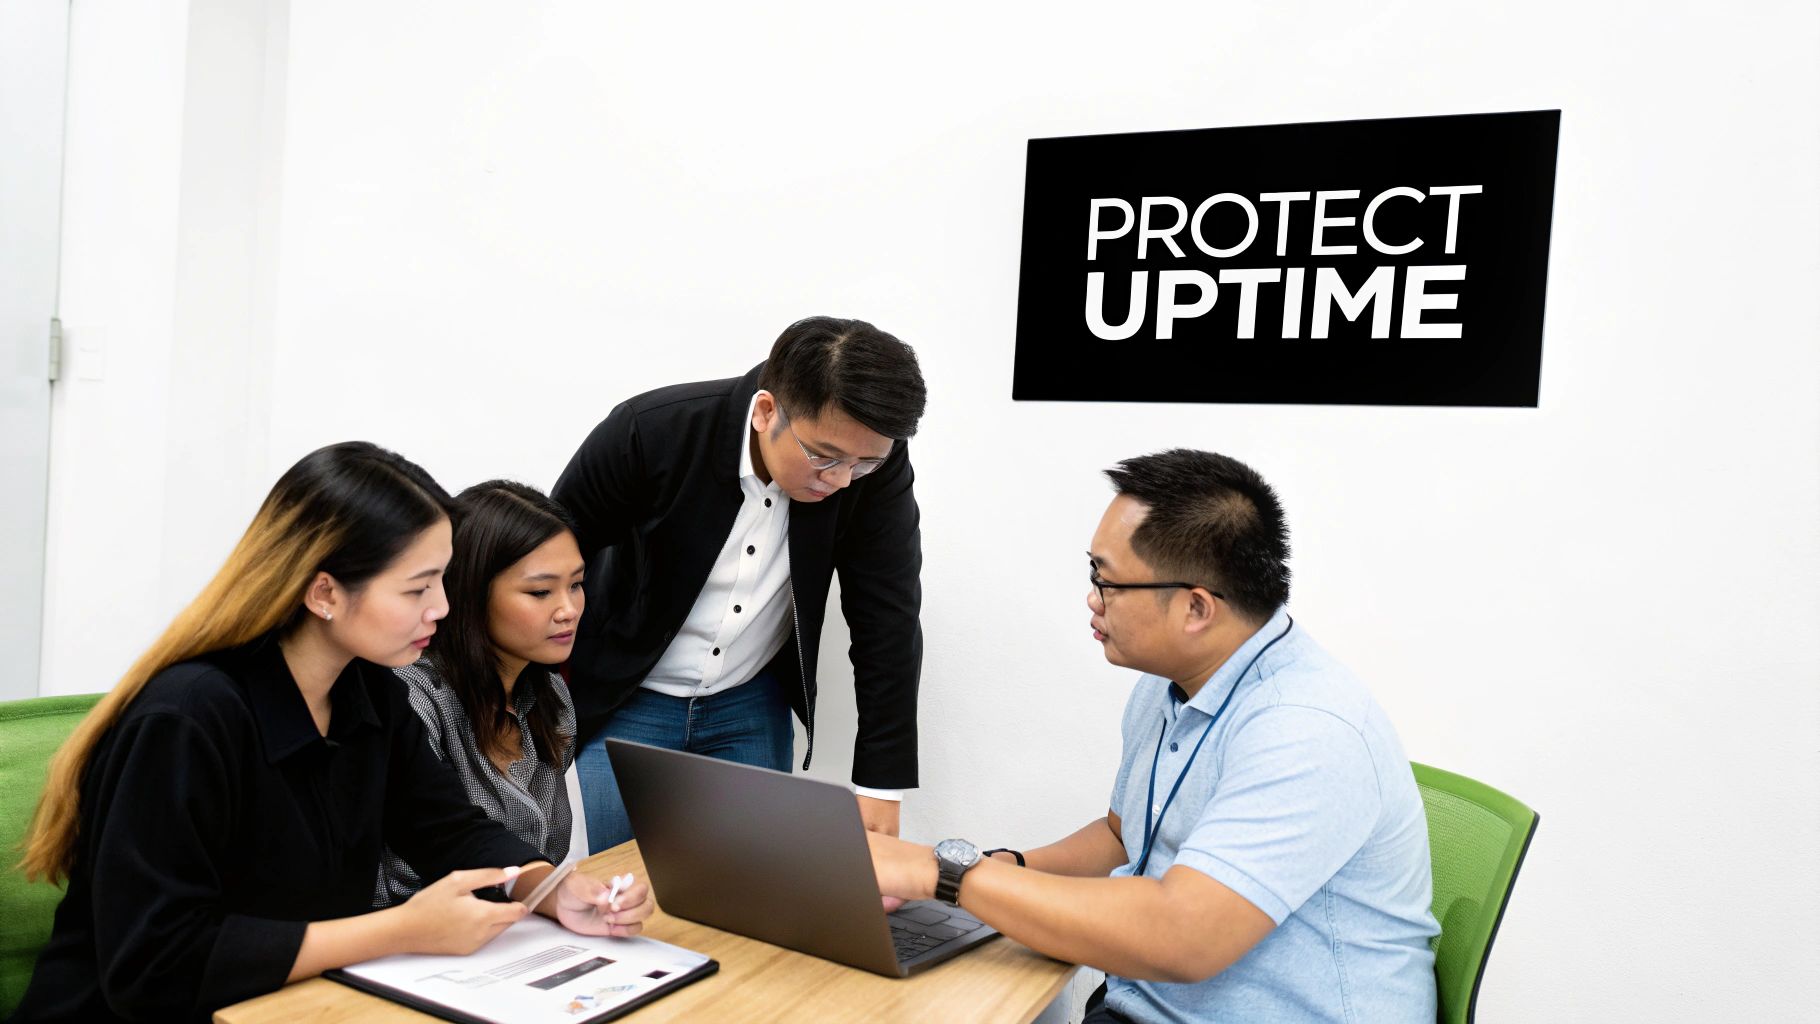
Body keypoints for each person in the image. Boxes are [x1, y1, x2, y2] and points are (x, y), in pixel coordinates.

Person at [14, 442, 651, 1023]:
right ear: (325, 593)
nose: (442, 609)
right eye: (417, 588)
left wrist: (552, 889)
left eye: (443, 581)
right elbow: (156, 964)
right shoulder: (187, 718)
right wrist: (402, 929)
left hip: (293, 1002)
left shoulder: (365, 688)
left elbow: (446, 828)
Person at [867, 450, 1439, 1023]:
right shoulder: (1171, 685)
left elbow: (1182, 937)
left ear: (1196, 608)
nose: (1092, 597)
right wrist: (1006, 869)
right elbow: (1125, 839)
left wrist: (943, 874)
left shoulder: (1308, 730)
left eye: (1107, 580)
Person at [552, 316, 926, 850]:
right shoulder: (654, 430)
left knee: (753, 898)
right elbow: (547, 558)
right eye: (823, 457)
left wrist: (880, 788)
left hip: (748, 703)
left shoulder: (873, 465)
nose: (842, 480)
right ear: (767, 412)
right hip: (628, 695)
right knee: (621, 894)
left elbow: (886, 616)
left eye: (863, 464)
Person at [375, 480, 590, 906]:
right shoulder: (414, 698)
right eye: (540, 592)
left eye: (577, 584)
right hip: (412, 943)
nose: (569, 609)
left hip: (515, 932)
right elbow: (414, 867)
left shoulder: (550, 697)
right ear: (472, 592)